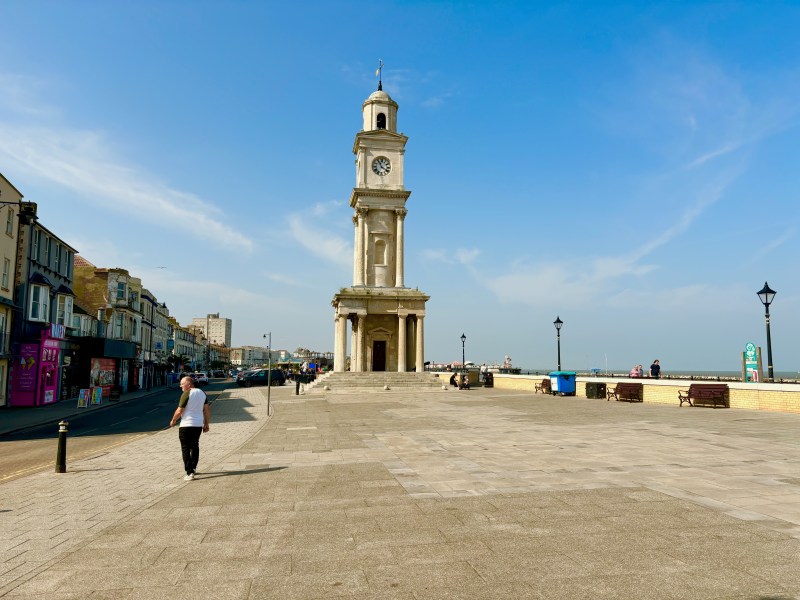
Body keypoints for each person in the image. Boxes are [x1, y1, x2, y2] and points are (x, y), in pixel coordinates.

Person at [169, 376, 210, 481]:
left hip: (186, 425)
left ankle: (189, 472)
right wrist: (206, 424)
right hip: (197, 425)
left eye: (182, 383)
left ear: (188, 384)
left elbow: (179, 410)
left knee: (185, 448)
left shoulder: (187, 393)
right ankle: (194, 468)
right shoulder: (202, 393)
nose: (180, 386)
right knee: (195, 446)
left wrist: (173, 420)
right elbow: (207, 410)